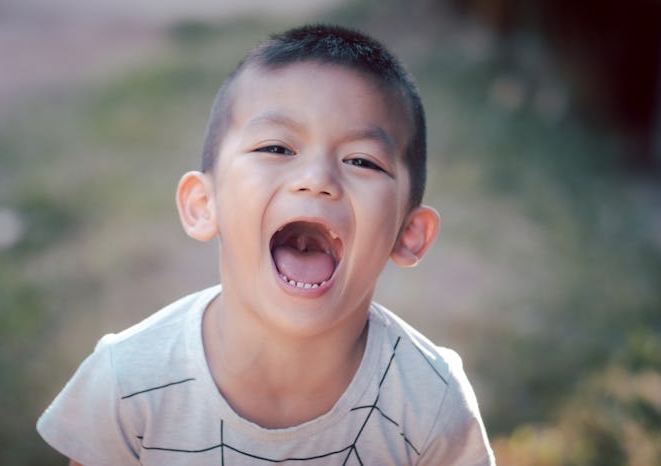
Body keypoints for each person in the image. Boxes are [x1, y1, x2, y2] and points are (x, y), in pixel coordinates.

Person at [37, 24, 495, 465]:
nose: (317, 180)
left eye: (361, 160)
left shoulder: (432, 404)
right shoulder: (126, 384)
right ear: (203, 204)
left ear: (409, 235)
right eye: (276, 148)